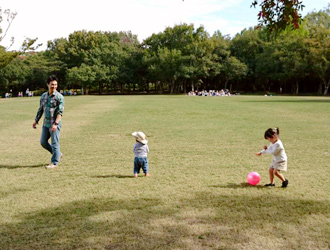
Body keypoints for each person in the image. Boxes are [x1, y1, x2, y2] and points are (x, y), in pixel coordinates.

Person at [33, 75, 65, 169]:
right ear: (47, 84)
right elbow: (41, 109)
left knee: (55, 143)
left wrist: (55, 124)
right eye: (52, 84)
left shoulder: (59, 97)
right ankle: (58, 154)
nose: (54, 86)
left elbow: (60, 112)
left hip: (54, 123)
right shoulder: (43, 96)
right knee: (43, 142)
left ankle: (54, 163)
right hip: (46, 123)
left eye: (55, 85)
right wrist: (36, 120)